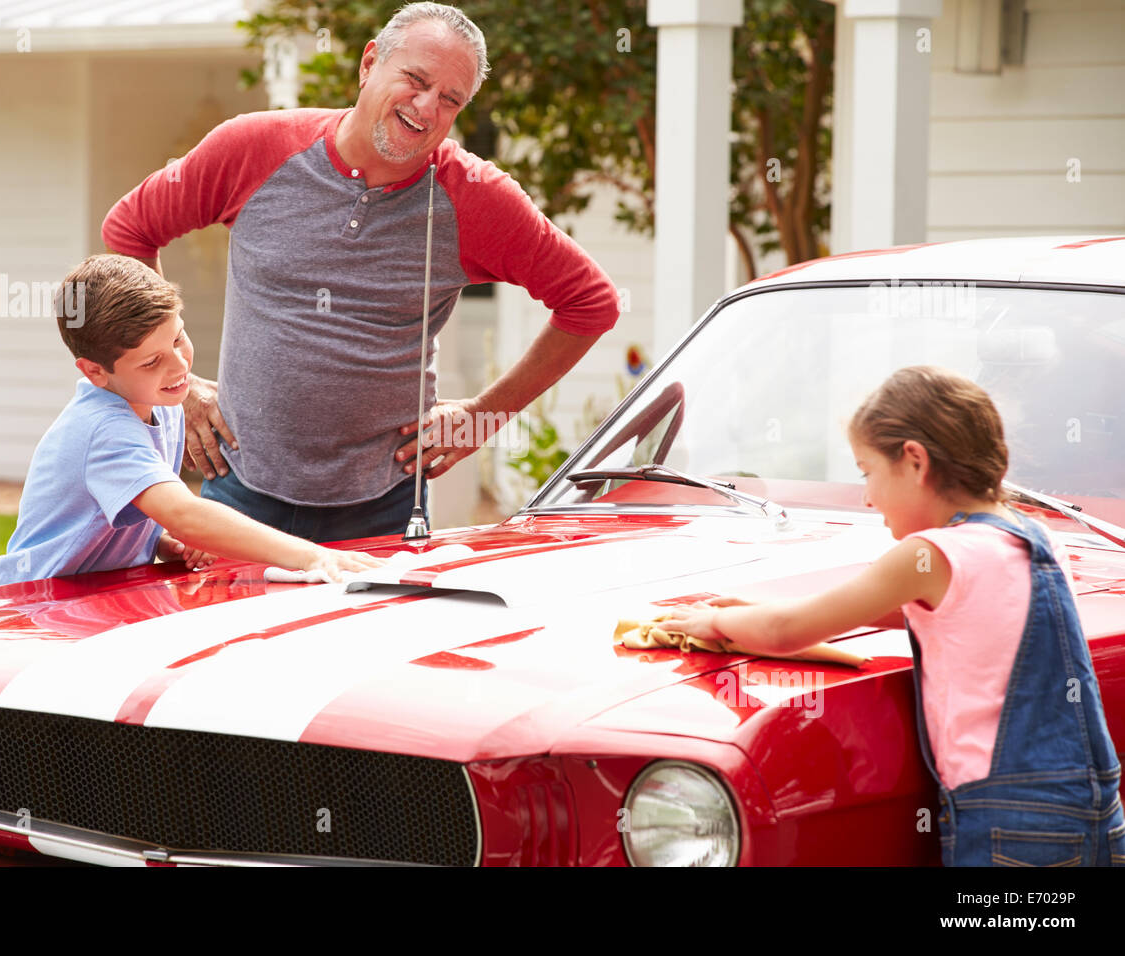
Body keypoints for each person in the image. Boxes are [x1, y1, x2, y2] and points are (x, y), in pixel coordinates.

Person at [100, 1, 619, 543]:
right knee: (233, 632)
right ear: (370, 63)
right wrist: (175, 380)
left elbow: (591, 303)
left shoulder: (475, 199)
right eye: (415, 80)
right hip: (238, 488)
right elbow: (130, 230)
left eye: (450, 99)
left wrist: (485, 415)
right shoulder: (253, 148)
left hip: (384, 506)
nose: (426, 107)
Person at [660, 366, 1124, 866]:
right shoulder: (1035, 539)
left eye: (867, 471)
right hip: (1094, 809)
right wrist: (755, 611)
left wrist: (714, 624)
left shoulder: (931, 555)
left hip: (1005, 824)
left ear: (914, 461)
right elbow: (960, 621)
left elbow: (786, 633)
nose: (866, 497)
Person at [0, 254, 381, 590]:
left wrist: (159, 541)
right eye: (152, 361)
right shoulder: (103, 430)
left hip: (101, 594)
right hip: (36, 603)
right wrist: (312, 555)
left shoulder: (162, 404)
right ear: (95, 372)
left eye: (177, 338)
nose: (179, 366)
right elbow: (185, 514)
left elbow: (115, 513)